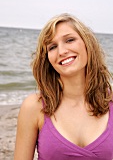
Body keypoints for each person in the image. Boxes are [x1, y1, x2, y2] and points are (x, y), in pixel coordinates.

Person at [14, 13, 113, 160]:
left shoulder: (110, 101)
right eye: (52, 47)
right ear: (47, 59)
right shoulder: (34, 107)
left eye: (70, 40)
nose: (62, 51)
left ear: (87, 44)